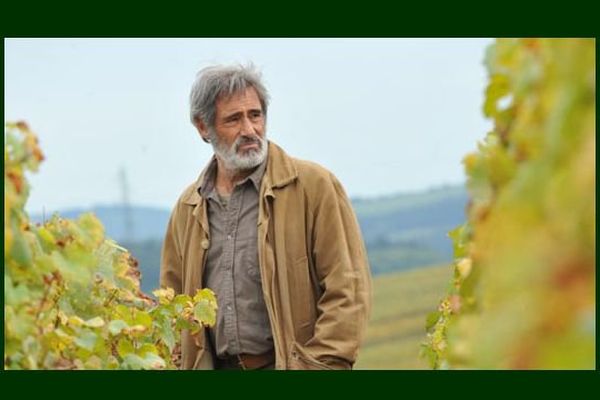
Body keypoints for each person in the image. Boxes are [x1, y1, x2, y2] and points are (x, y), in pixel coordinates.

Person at [160, 64, 371, 370]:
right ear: (203, 128)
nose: (249, 130)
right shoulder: (188, 208)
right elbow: (173, 307)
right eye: (234, 119)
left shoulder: (313, 186)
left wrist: (318, 367)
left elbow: (347, 290)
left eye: (255, 115)